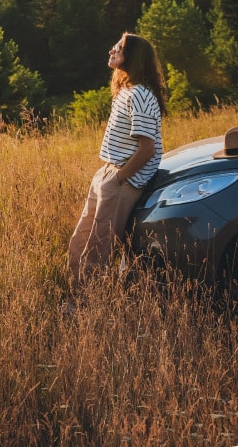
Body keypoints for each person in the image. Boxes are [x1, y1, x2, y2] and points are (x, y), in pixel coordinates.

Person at [67, 32, 167, 291]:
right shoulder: (126, 91)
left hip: (122, 179)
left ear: (133, 57)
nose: (112, 50)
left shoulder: (142, 96)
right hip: (108, 172)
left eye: (119, 48)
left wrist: (120, 178)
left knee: (98, 247)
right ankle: (74, 293)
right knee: (80, 239)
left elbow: (147, 148)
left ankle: (86, 304)